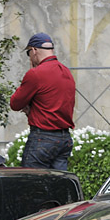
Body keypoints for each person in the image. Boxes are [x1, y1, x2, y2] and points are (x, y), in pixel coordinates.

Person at [9, 32, 76, 170]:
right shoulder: (66, 72)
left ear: (34, 50)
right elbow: (54, 103)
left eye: (28, 53)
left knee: (32, 185)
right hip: (64, 138)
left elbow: (15, 104)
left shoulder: (36, 74)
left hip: (43, 138)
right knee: (58, 186)